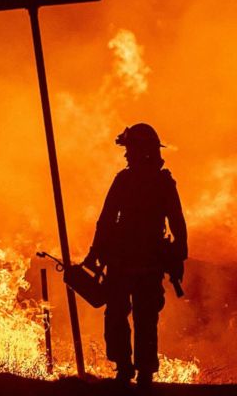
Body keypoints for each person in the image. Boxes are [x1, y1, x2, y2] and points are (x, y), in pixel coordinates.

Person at [76, 123, 187, 387]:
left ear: (140, 151)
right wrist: (95, 253)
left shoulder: (146, 182)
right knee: (137, 317)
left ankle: (131, 370)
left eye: (130, 149)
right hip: (129, 262)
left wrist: (96, 252)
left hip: (131, 263)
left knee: (129, 316)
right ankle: (135, 370)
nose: (126, 155)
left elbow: (176, 223)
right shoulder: (145, 182)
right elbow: (177, 225)